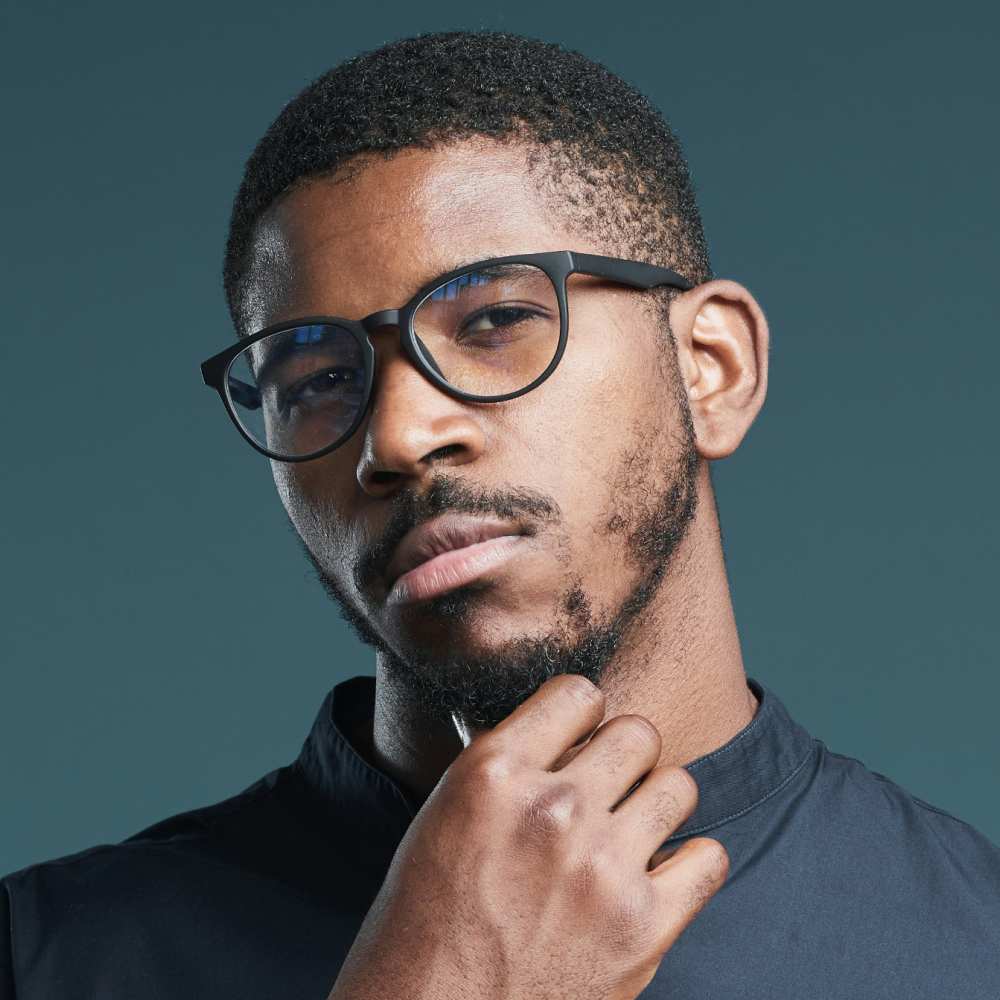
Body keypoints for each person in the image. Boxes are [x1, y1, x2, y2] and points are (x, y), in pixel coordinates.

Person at [3, 29, 998, 1000]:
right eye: (316, 381)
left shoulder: (975, 941)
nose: (397, 436)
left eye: (493, 322)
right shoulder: (42, 959)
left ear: (711, 369)